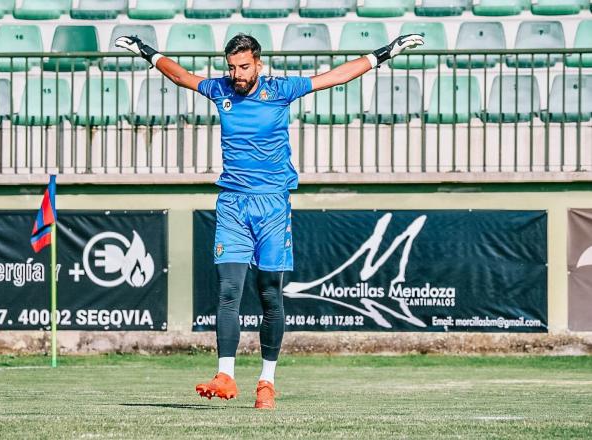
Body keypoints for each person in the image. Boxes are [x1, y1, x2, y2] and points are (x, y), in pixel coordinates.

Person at [115, 32, 424, 409]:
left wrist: (385, 52)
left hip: (273, 206)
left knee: (269, 294)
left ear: (258, 64)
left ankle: (267, 381)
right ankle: (225, 374)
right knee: (228, 290)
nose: (236, 74)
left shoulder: (281, 89)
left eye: (243, 66)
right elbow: (181, 77)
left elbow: (337, 76)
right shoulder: (220, 90)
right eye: (231, 67)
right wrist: (147, 52)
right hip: (232, 204)